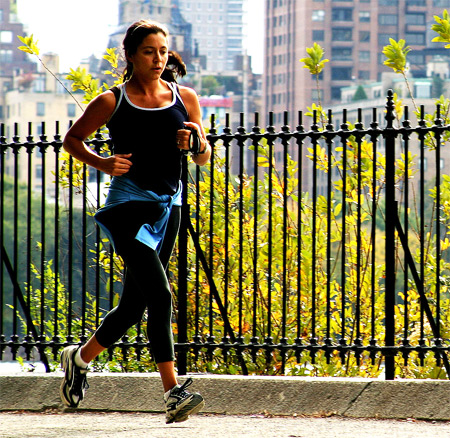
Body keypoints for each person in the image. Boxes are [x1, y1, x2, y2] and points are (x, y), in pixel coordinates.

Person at [59, 19, 210, 424]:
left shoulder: (185, 97)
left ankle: (80, 357)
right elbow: (73, 140)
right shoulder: (112, 101)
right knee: (160, 294)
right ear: (131, 55)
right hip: (128, 207)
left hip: (169, 206)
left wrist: (194, 141)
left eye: (163, 51)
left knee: (133, 304)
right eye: (149, 51)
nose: (158, 59)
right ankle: (173, 392)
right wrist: (102, 162)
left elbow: (202, 155)